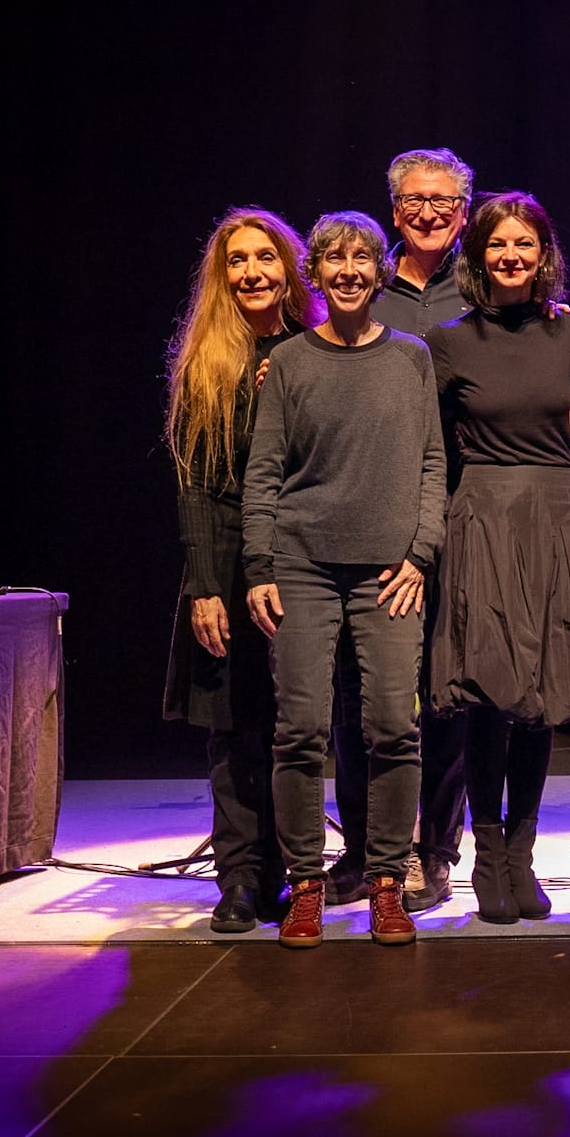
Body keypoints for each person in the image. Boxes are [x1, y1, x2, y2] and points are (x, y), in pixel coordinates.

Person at [243, 210, 447, 947]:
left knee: (394, 724)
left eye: (364, 258)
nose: (351, 271)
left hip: (389, 572)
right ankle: (306, 882)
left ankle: (388, 880)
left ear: (378, 269)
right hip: (302, 565)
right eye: (336, 260)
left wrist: (421, 552)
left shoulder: (412, 356)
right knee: (300, 729)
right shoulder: (292, 362)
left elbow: (432, 462)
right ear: (317, 274)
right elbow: (264, 471)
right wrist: (259, 565)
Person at [426, 193, 570, 923]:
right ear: (478, 255)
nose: (511, 256)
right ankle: (487, 849)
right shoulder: (450, 341)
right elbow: (428, 444)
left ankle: (523, 850)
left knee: (543, 697)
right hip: (485, 518)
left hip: (558, 513)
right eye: (498, 244)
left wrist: (565, 428)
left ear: (544, 254)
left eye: (524, 244)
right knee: (491, 695)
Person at [162, 208, 319, 933]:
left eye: (265, 257)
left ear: (290, 269)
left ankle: (292, 870)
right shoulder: (208, 358)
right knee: (232, 725)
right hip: (223, 556)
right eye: (237, 261)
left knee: (293, 723)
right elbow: (194, 481)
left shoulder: (314, 350)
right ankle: (239, 880)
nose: (252, 271)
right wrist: (201, 586)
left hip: (298, 553)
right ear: (222, 277)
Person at [329, 147, 476, 916]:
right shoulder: (360, 286)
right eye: (414, 199)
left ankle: (436, 851)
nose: (428, 210)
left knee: (441, 692)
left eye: (443, 199)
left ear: (462, 209)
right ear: (395, 210)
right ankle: (360, 847)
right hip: (370, 515)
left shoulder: (482, 287)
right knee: (361, 694)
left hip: (460, 510)